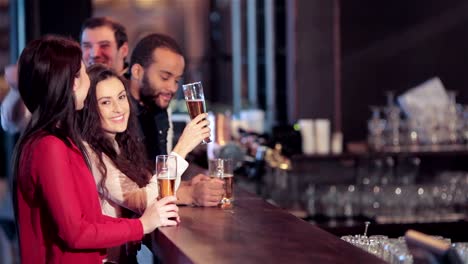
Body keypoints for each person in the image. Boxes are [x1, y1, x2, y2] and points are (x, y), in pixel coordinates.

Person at [12, 35, 179, 264]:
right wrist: (141, 225)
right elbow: (76, 232)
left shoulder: (62, 141)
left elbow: (89, 219)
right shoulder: (48, 145)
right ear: (72, 83)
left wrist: (133, 227)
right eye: (82, 71)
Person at [80, 64, 210, 262]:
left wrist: (186, 186)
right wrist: (182, 148)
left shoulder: (113, 144)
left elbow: (136, 189)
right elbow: (143, 201)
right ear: (89, 109)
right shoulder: (91, 152)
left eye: (121, 97)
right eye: (106, 102)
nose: (118, 108)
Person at [129, 33, 225, 207]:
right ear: (137, 71)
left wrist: (187, 185)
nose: (172, 88)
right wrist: (190, 194)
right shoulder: (119, 115)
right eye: (165, 78)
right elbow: (133, 192)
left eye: (177, 80)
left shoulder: (158, 109)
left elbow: (153, 178)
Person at [1, 17, 128, 133]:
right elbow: (11, 123)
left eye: (104, 45)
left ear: (123, 50)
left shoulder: (134, 86)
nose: (94, 53)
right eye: (87, 46)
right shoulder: (66, 91)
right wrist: (18, 89)